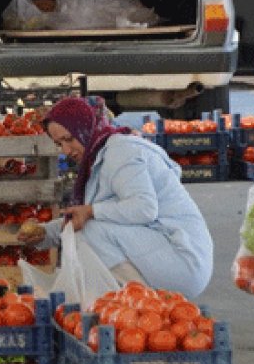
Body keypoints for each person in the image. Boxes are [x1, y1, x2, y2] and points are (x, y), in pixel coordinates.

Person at [17, 97, 213, 298]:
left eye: (69, 139)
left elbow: (143, 208)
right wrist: (46, 233)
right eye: (59, 144)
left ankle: (141, 304)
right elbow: (90, 215)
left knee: (92, 231)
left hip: (182, 258)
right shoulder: (98, 156)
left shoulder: (120, 151)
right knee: (89, 228)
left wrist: (91, 211)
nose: (66, 151)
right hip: (162, 250)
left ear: (83, 128)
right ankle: (128, 304)